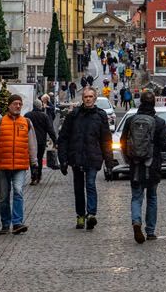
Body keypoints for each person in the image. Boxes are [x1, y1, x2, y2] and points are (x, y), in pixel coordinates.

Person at [120, 91, 166, 243]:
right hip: (153, 166)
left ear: (140, 103)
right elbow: (164, 146)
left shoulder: (131, 120)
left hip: (136, 166)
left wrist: (130, 157)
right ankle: (150, 231)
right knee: (152, 197)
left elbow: (123, 141)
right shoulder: (159, 122)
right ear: (154, 103)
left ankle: (136, 222)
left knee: (136, 197)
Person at [58, 86, 113, 230]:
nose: (88, 99)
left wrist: (109, 162)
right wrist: (63, 159)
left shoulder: (100, 116)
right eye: (86, 96)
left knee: (90, 184)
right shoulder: (74, 115)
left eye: (90, 96)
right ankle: (80, 215)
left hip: (93, 157)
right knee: (78, 188)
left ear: (94, 98)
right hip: (76, 156)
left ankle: (91, 214)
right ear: (82, 98)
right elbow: (63, 137)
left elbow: (106, 140)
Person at [0, 93, 34, 235]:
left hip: (20, 165)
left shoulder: (26, 122)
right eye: (15, 104)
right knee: (4, 197)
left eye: (20, 104)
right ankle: (5, 223)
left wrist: (34, 162)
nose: (18, 106)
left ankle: (17, 222)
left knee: (18, 191)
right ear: (9, 105)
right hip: (4, 165)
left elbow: (32, 144)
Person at [26, 97, 53, 184]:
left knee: (32, 158)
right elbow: (50, 129)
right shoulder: (44, 116)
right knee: (39, 158)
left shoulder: (27, 115)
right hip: (41, 141)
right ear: (40, 106)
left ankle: (33, 176)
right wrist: (55, 140)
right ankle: (38, 176)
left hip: (30, 141)